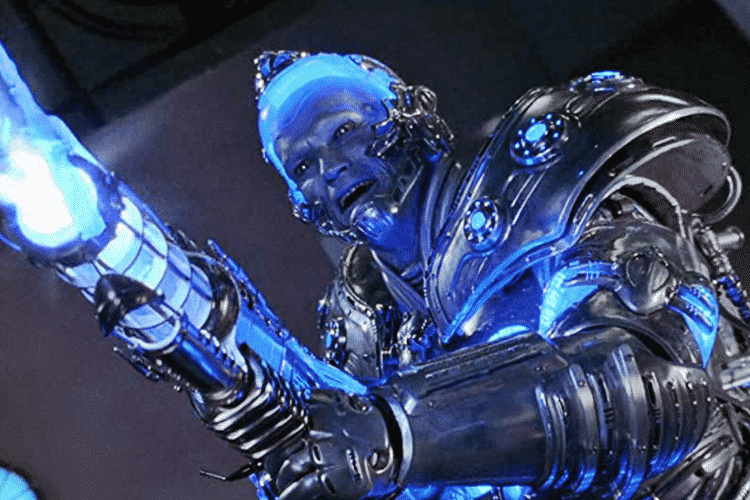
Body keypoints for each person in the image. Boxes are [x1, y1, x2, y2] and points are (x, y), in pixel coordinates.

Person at [1, 42, 750, 500]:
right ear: (302, 204)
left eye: (347, 131)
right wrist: (111, 246)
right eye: (303, 167)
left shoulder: (539, 182)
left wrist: (400, 429)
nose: (332, 166)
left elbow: (652, 384)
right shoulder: (363, 324)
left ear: (415, 113)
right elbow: (327, 424)